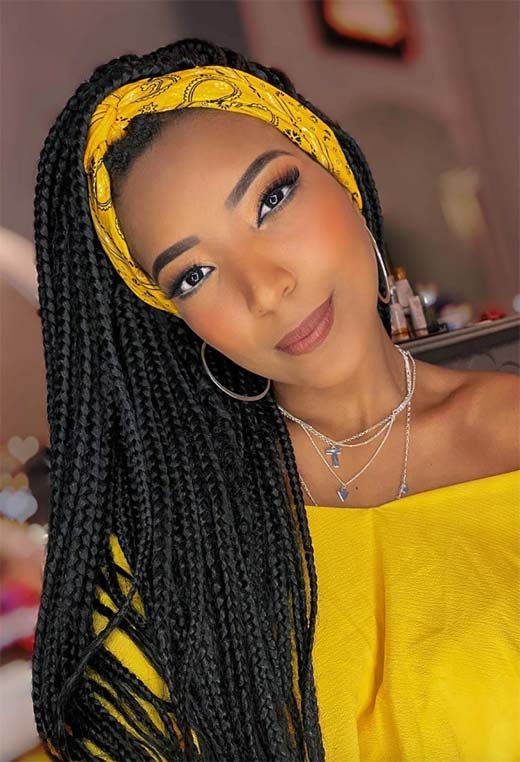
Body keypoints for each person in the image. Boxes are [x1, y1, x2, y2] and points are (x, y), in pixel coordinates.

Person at [31, 37, 519, 762]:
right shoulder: (169, 541)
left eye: (271, 199)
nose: (265, 289)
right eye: (193, 275)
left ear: (336, 169)